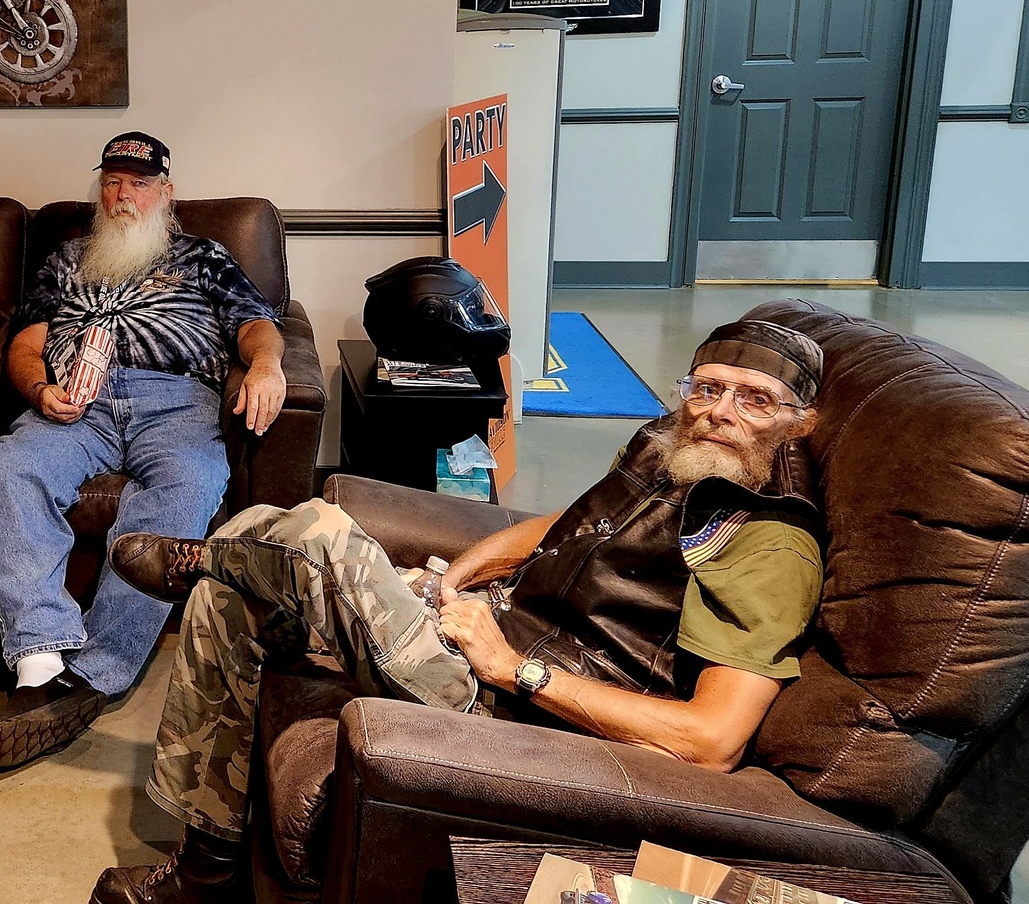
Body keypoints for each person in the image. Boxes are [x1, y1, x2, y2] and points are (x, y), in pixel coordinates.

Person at [91, 320, 828, 904]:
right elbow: (566, 526)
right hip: (480, 632)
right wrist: (451, 577)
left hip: (512, 710)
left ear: (799, 422)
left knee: (316, 529)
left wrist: (515, 668)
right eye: (707, 388)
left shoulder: (769, 542)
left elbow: (711, 739)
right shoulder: (670, 451)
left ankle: (205, 556)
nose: (719, 412)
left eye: (754, 399)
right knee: (228, 600)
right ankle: (206, 875)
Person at [0, 132, 288, 769]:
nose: (123, 195)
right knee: (7, 470)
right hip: (74, 402)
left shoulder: (202, 255)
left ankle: (93, 674)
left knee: (188, 487)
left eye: (139, 183)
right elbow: (26, 344)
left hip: (174, 400)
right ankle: (39, 666)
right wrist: (38, 389)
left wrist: (266, 365)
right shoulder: (65, 260)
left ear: (165, 193)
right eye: (112, 182)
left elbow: (256, 323)